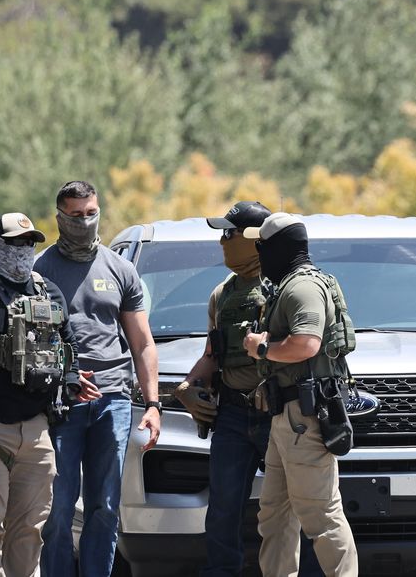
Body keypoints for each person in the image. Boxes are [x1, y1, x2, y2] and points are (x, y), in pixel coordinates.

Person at [0, 212, 97, 577]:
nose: (23, 250)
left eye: (29, 243)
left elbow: (66, 346)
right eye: (14, 243)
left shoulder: (48, 291)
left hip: (38, 431)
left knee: (30, 530)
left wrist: (70, 379)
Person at [174, 202, 324, 577]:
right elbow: (213, 353)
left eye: (230, 233)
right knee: (223, 507)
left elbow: (306, 345)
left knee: (297, 504)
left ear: (255, 239)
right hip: (232, 414)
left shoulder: (287, 286)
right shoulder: (221, 294)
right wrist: (188, 386)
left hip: (280, 413)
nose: (223, 241)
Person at [37, 181, 162, 577]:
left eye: (91, 213)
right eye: (75, 215)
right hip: (61, 404)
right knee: (56, 507)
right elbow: (31, 343)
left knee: (106, 506)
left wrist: (154, 403)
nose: (85, 221)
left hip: (114, 403)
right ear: (60, 217)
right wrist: (65, 379)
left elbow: (142, 343)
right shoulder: (41, 270)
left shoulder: (120, 269)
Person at [240, 213, 358, 577]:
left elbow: (306, 344)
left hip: (303, 417)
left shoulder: (301, 288)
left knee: (320, 513)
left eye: (262, 245)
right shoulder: (290, 284)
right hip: (287, 416)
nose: (258, 252)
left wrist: (261, 349)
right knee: (274, 512)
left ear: (279, 247)